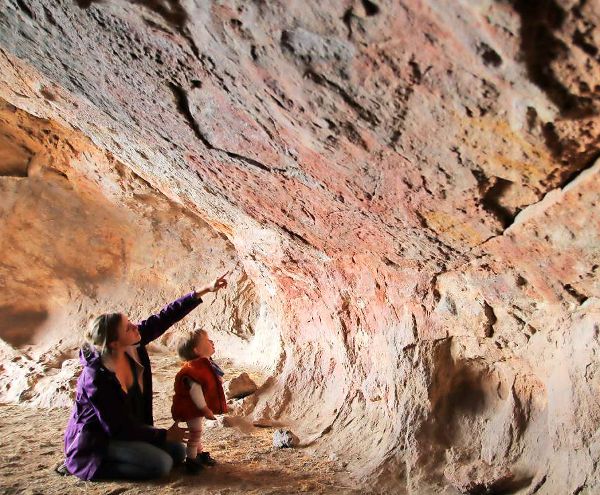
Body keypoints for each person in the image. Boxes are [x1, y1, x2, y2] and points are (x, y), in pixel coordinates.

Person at [62, 274, 228, 481]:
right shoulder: (96, 378)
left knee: (177, 452)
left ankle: (136, 453)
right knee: (161, 465)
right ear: (114, 343)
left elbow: (164, 317)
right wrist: (162, 435)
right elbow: (116, 427)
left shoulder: (131, 345)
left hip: (128, 430)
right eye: (128, 327)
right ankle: (84, 465)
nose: (135, 326)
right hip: (101, 438)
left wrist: (204, 290)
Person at [171, 328, 227, 473]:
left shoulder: (202, 365)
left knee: (197, 431)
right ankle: (191, 460)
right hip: (191, 408)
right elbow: (195, 392)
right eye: (207, 341)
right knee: (195, 433)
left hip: (194, 408)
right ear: (197, 350)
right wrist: (205, 409)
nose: (212, 342)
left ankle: (199, 454)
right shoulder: (194, 370)